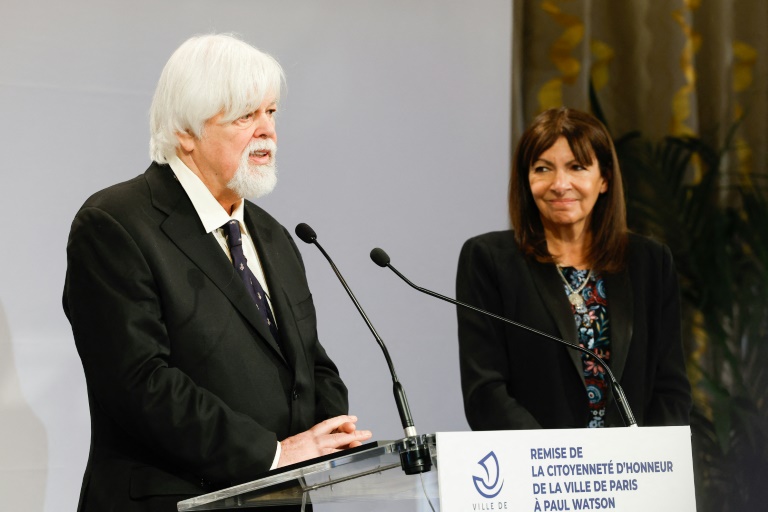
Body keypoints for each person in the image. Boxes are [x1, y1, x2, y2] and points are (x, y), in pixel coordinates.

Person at [63, 33, 371, 512]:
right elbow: (140, 382)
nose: (267, 131)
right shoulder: (116, 223)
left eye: (271, 113)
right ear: (186, 132)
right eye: (246, 115)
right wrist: (271, 454)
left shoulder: (272, 236)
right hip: (175, 499)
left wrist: (329, 438)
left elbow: (308, 363)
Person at [456, 107, 691, 430]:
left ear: (604, 179)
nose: (560, 184)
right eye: (543, 168)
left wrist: (652, 460)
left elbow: (670, 388)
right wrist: (556, 460)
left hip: (633, 470)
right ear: (527, 180)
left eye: (577, 167)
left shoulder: (650, 261)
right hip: (538, 468)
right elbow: (485, 389)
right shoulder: (488, 259)